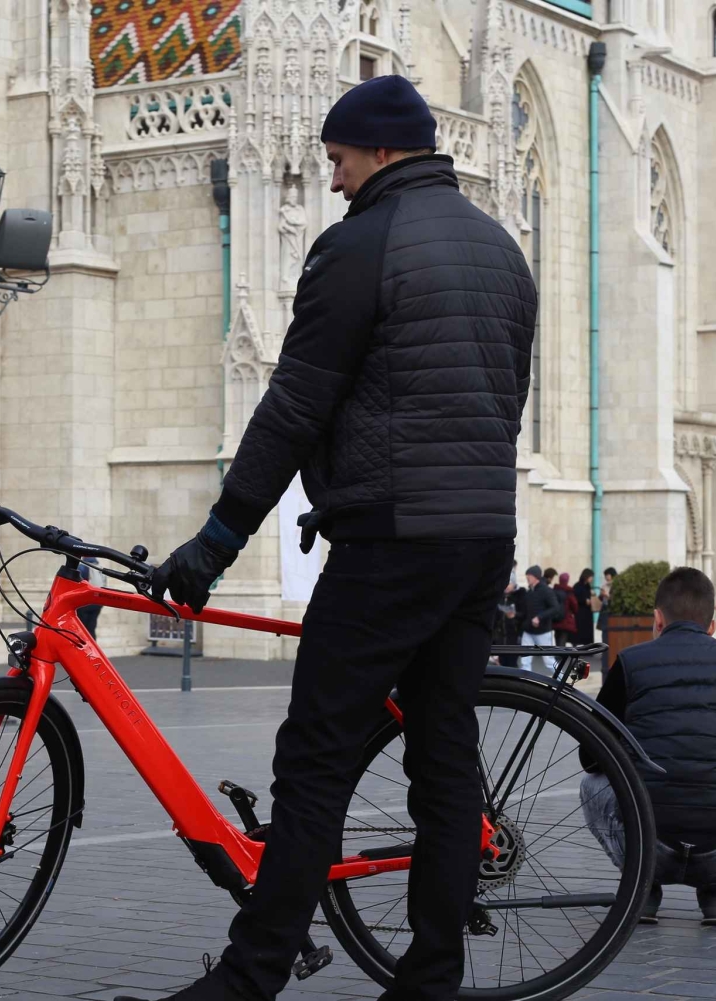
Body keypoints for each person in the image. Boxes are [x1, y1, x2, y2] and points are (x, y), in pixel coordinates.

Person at [140, 75, 536, 1001]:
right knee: (444, 759)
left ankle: (252, 973)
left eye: (338, 159)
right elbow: (494, 402)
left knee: (314, 758)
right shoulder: (500, 249)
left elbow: (293, 405)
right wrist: (353, 489)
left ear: (382, 151)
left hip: (394, 544)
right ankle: (430, 977)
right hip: (478, 534)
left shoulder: (359, 246)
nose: (332, 179)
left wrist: (218, 539)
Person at [580, 567, 716, 925]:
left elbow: (591, 758)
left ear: (657, 619)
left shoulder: (631, 662)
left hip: (648, 846)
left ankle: (643, 888)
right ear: (712, 623)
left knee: (592, 786)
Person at [519, 565, 562, 675]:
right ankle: (525, 685)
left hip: (543, 632)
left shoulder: (546, 591)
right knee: (525, 661)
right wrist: (513, 614)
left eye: (529, 575)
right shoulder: (529, 593)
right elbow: (525, 613)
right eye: (527, 575)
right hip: (528, 631)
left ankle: (563, 682)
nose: (527, 577)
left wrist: (539, 617)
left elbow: (556, 608)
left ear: (536, 577)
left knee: (549, 661)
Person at [552, 568, 580, 648]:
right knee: (562, 638)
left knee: (557, 636)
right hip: (566, 619)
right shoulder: (569, 592)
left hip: (555, 618)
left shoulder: (554, 590)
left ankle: (558, 653)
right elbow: (575, 606)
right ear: (567, 580)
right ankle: (560, 656)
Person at [573, 569, 597, 647]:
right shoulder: (577, 586)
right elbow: (574, 598)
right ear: (586, 576)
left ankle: (587, 647)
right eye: (591, 577)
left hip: (587, 612)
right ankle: (576, 645)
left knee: (587, 631)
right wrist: (584, 600)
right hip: (580, 612)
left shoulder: (588, 586)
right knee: (579, 629)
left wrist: (592, 595)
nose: (592, 579)